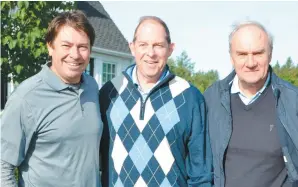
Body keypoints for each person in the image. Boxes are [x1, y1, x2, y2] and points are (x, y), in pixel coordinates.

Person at [99, 16, 213, 187]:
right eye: (143, 45)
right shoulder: (110, 93)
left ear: (170, 49)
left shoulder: (189, 97)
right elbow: (98, 161)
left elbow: (201, 173)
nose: (150, 53)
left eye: (158, 45)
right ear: (132, 48)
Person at [1, 10, 103, 187]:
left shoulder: (92, 88)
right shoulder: (26, 98)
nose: (75, 54)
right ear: (50, 46)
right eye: (66, 45)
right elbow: (3, 167)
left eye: (82, 47)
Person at [204, 20, 298, 187]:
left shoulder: (292, 100)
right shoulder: (211, 99)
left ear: (270, 54)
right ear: (231, 56)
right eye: (242, 54)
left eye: (258, 53)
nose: (250, 62)